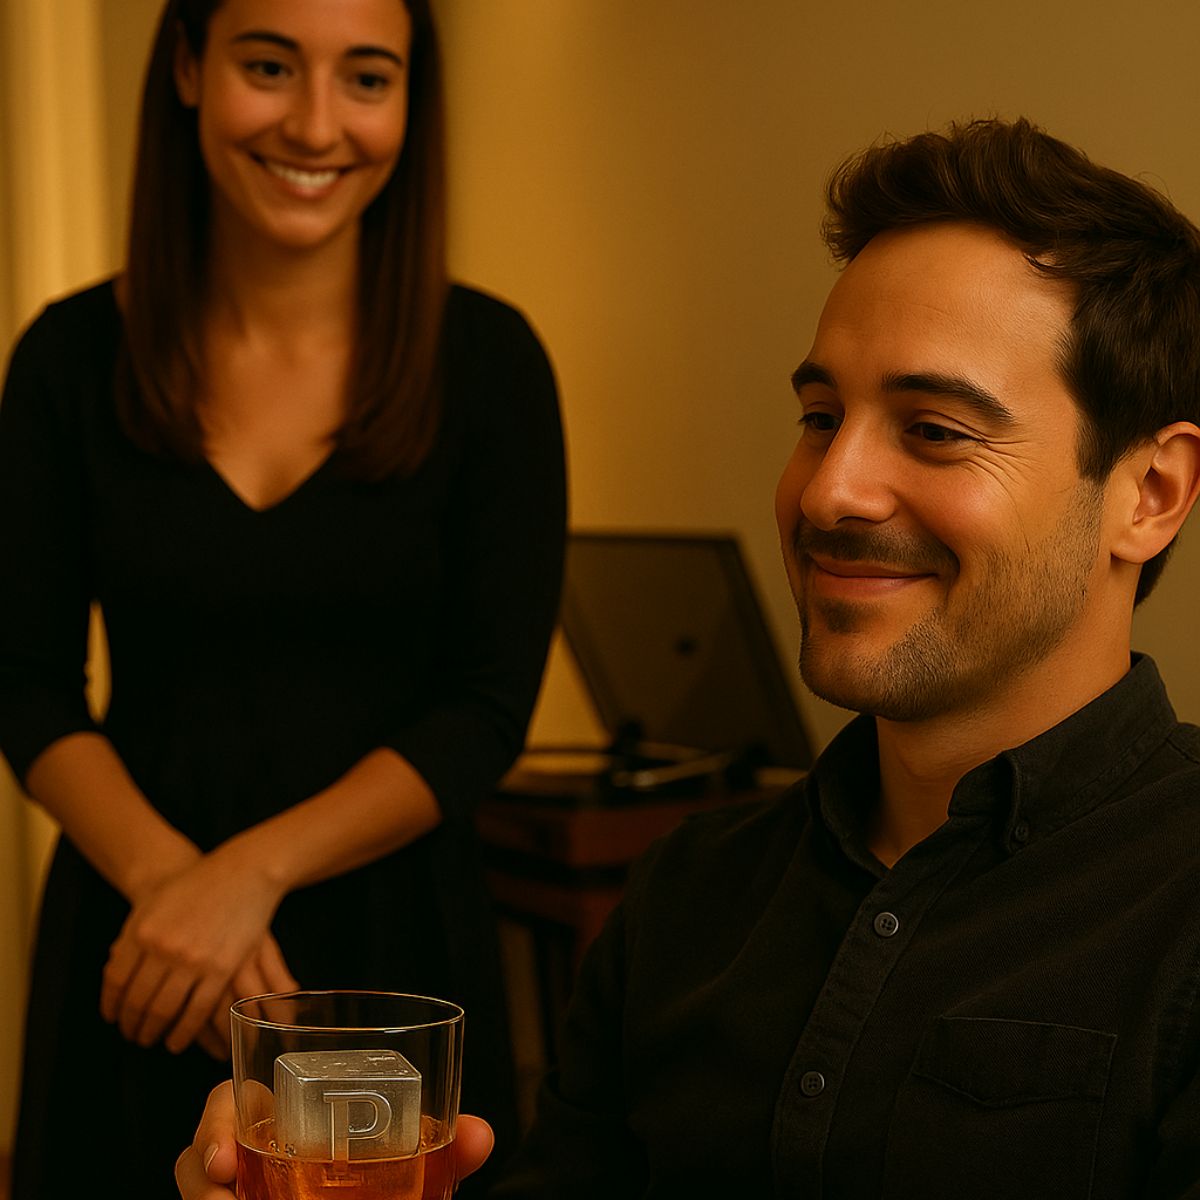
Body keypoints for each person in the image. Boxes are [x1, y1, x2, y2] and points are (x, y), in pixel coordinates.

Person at [178, 116, 1200, 1197]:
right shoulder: (687, 897)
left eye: (936, 429)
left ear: (1150, 495)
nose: (827, 490)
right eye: (818, 415)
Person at [0, 0, 565, 1195]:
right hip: (139, 956)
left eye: (368, 78)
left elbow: (484, 707)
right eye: (270, 65)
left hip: (395, 956)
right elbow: (26, 680)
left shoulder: (493, 363)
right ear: (193, 69)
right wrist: (171, 886)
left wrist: (244, 875)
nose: (317, 124)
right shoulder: (63, 358)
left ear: (413, 102)